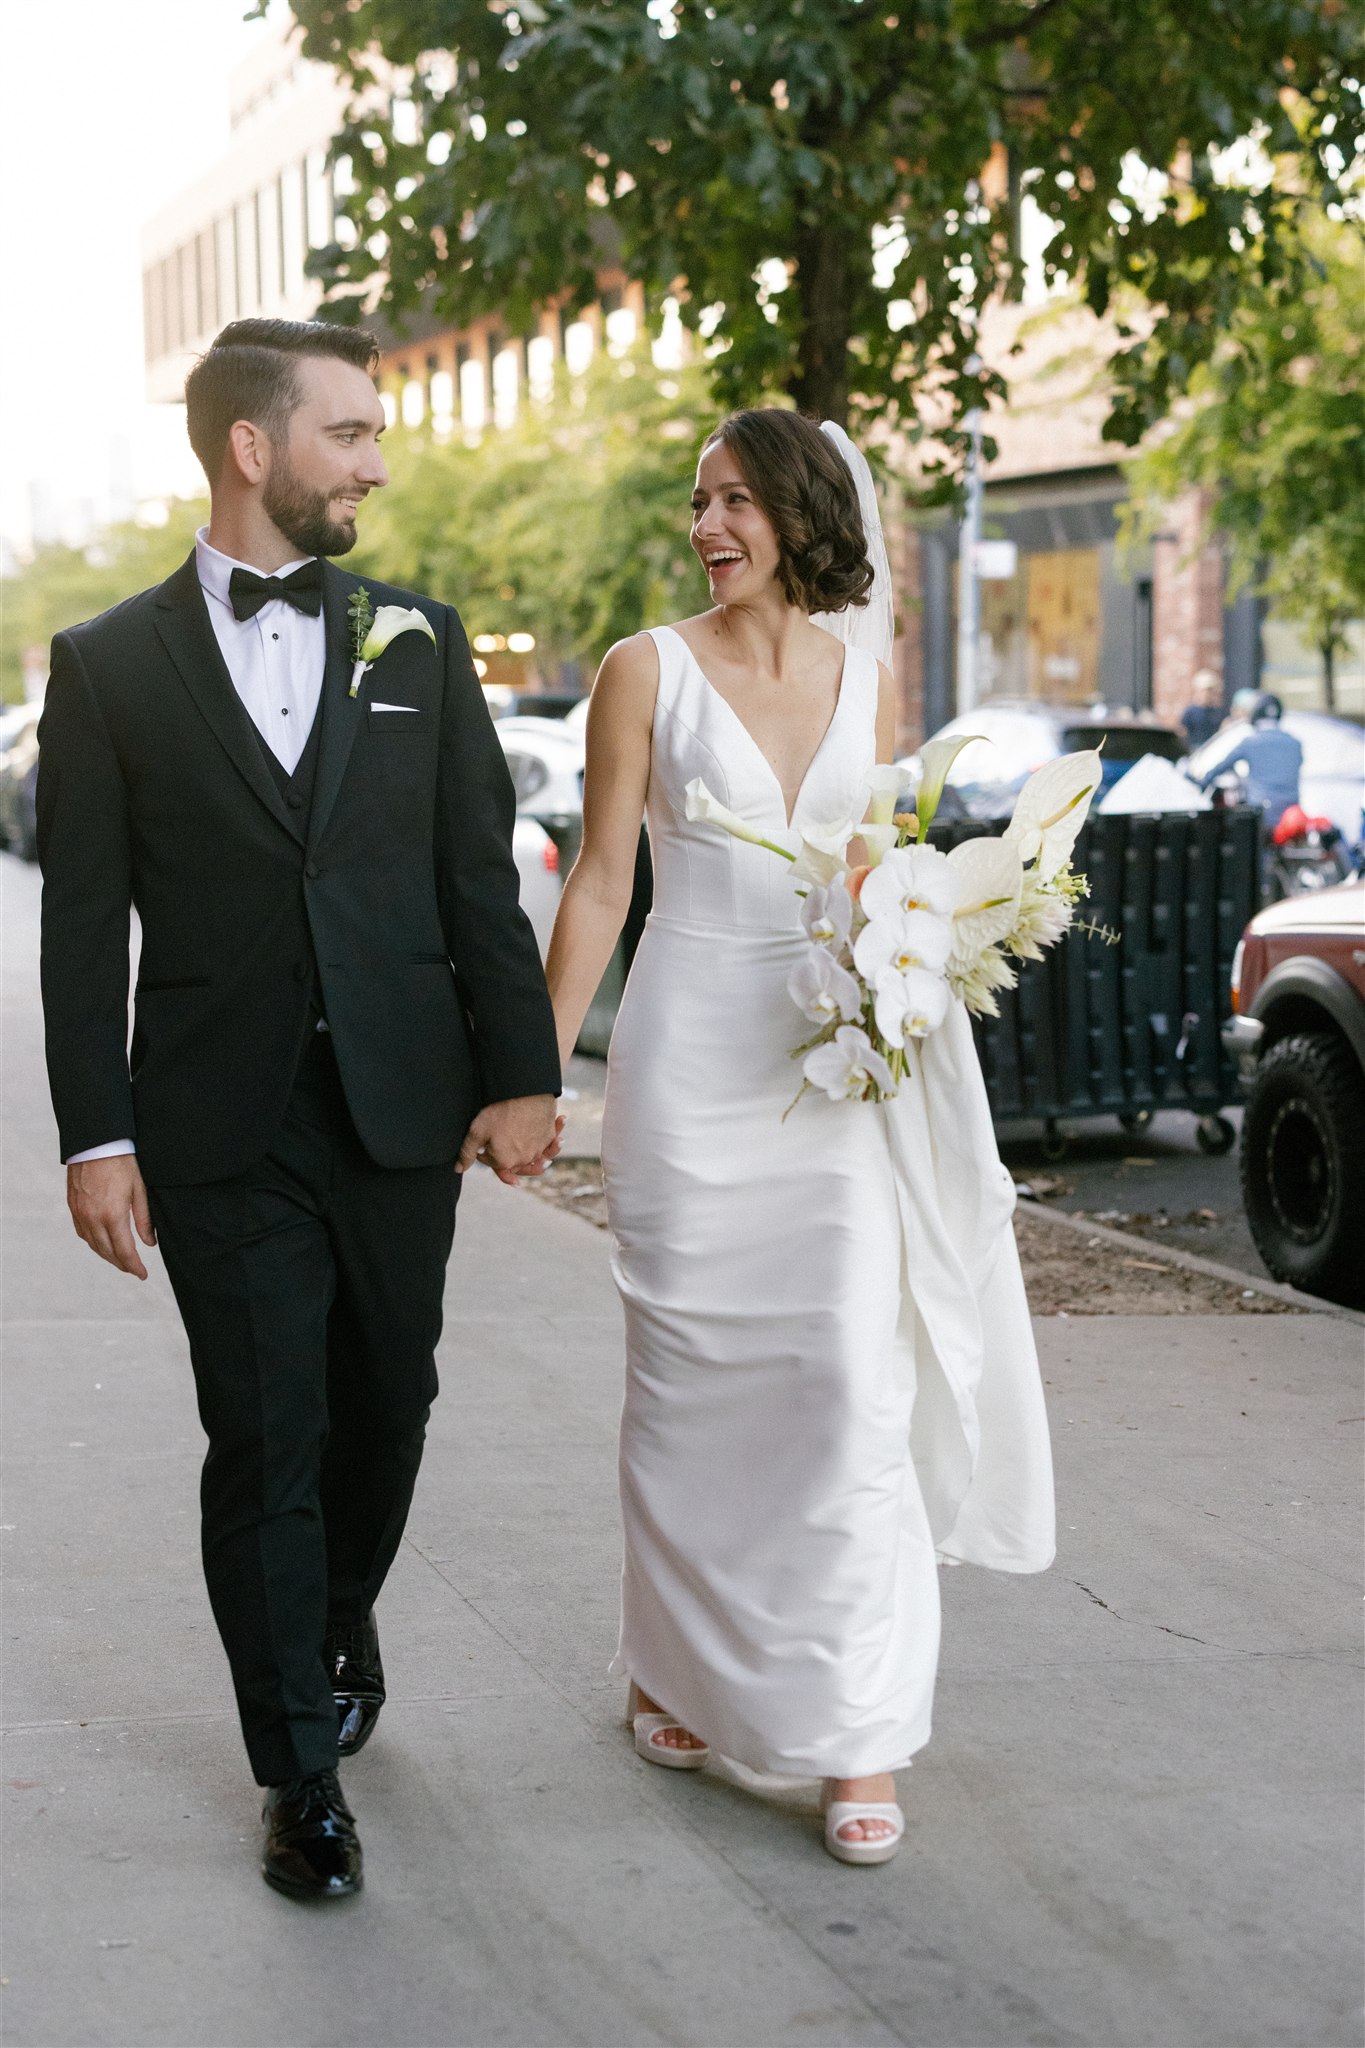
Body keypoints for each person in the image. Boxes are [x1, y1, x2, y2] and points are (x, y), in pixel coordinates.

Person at [36, 318, 560, 1900]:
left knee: (385, 1405)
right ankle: (298, 1776)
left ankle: (339, 1607)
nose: (377, 464)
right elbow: (82, 925)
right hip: (218, 1123)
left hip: (402, 1103)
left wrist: (524, 1068)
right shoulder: (107, 666)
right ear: (254, 448)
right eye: (350, 433)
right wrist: (94, 1133)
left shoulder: (420, 637)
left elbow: (474, 875)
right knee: (263, 1429)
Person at [544, 409, 1054, 1865]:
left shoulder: (862, 675)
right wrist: (529, 1078)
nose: (708, 525)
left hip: (831, 1069)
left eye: (737, 501)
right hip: (688, 1058)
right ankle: (670, 1665)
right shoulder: (640, 671)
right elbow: (596, 884)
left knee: (845, 1381)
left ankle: (858, 1729)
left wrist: (921, 947)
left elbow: (863, 864)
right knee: (689, 1389)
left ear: (802, 514)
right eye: (698, 499)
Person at [1193, 689, 1303, 827]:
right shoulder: (1295, 743)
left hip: (1262, 813)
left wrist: (1203, 782)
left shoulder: (1251, 742)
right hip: (1292, 815)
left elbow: (1222, 765)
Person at [1180, 668, 1223, 751]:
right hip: (1194, 749)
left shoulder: (1217, 711)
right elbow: (1183, 732)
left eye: (1211, 691)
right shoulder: (1190, 711)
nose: (1207, 694)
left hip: (1212, 750)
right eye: (1205, 691)